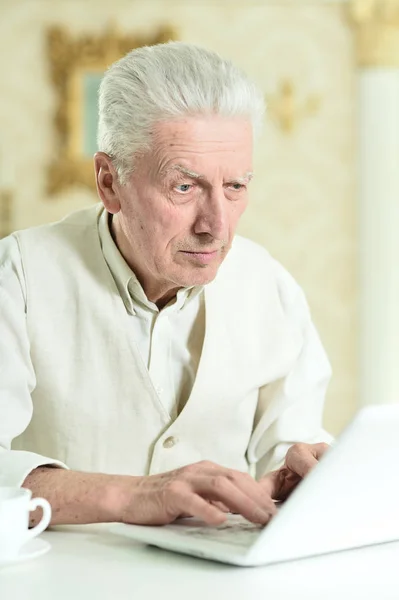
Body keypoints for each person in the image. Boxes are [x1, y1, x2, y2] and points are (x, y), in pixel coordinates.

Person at [0, 42, 331, 528]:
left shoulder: (271, 287)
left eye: (235, 186)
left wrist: (302, 477)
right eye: (185, 186)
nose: (216, 226)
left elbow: (289, 448)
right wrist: (129, 496)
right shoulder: (19, 275)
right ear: (110, 183)